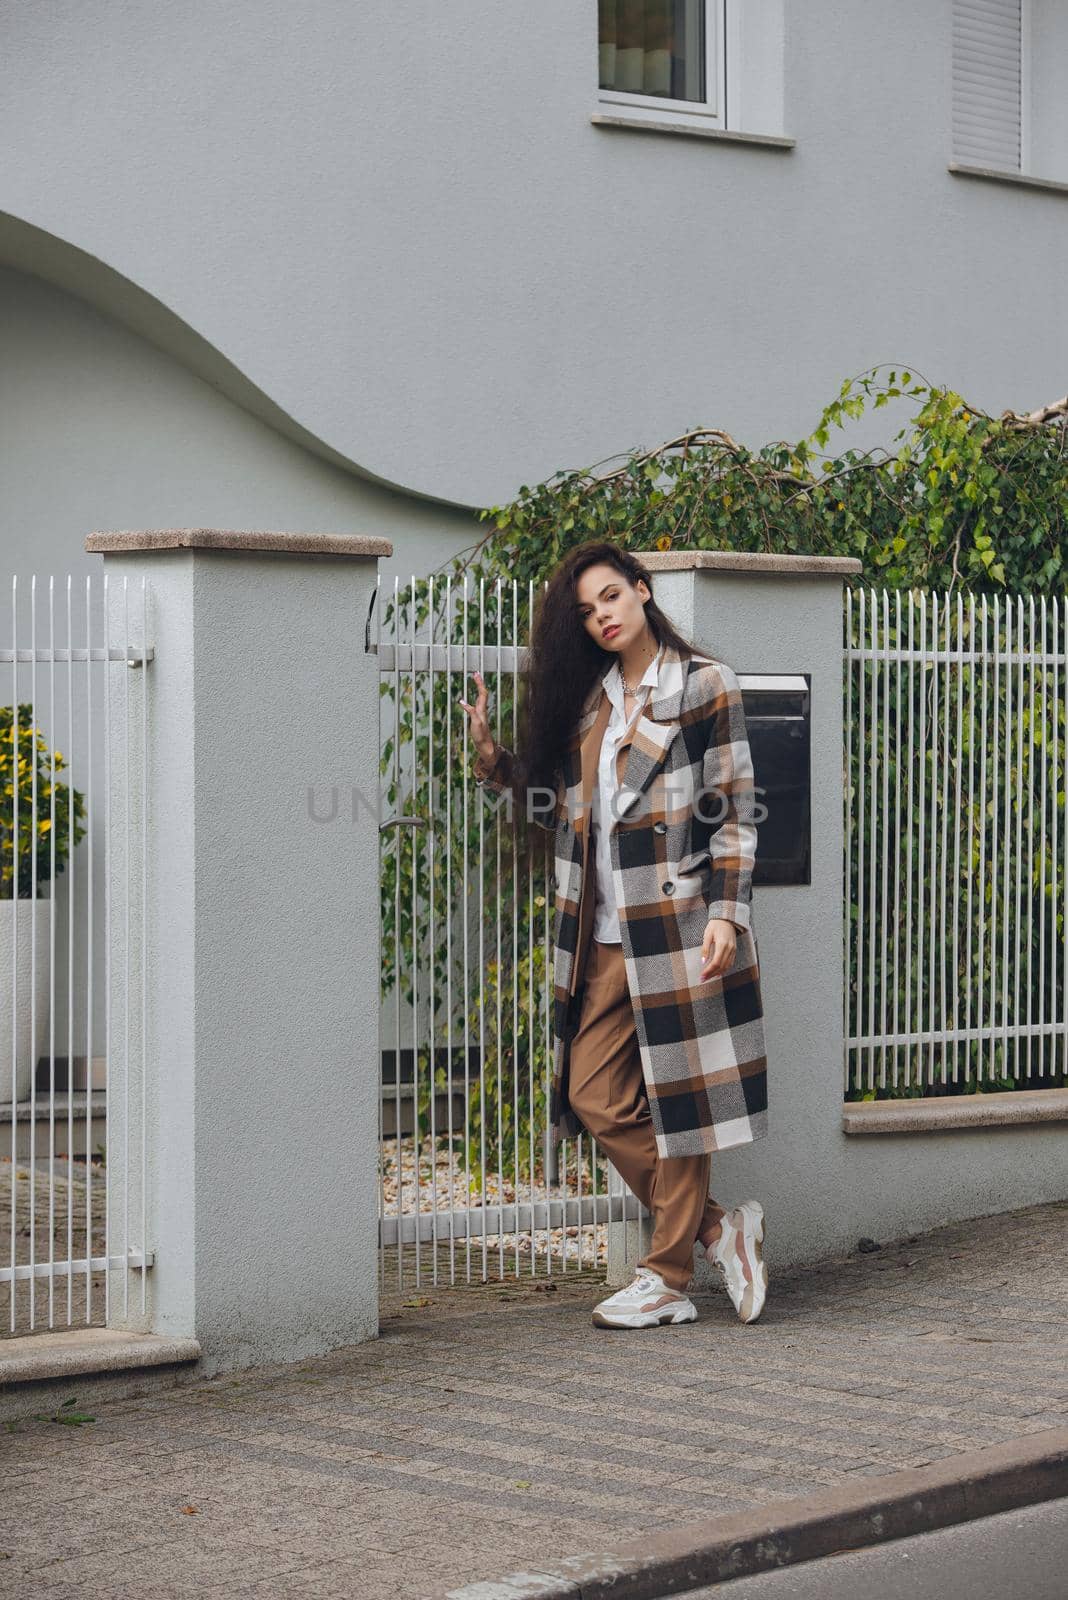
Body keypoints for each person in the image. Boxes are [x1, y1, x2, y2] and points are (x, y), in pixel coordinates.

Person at [458, 540, 768, 1329]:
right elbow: (565, 804)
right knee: (595, 1096)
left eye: (610, 597)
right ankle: (715, 1229)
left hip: (680, 927)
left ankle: (664, 1278)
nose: (601, 615)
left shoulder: (703, 686)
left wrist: (728, 914)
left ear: (641, 590)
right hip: (599, 934)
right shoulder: (594, 703)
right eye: (587, 609)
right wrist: (494, 759)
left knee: (681, 1104)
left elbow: (734, 810)